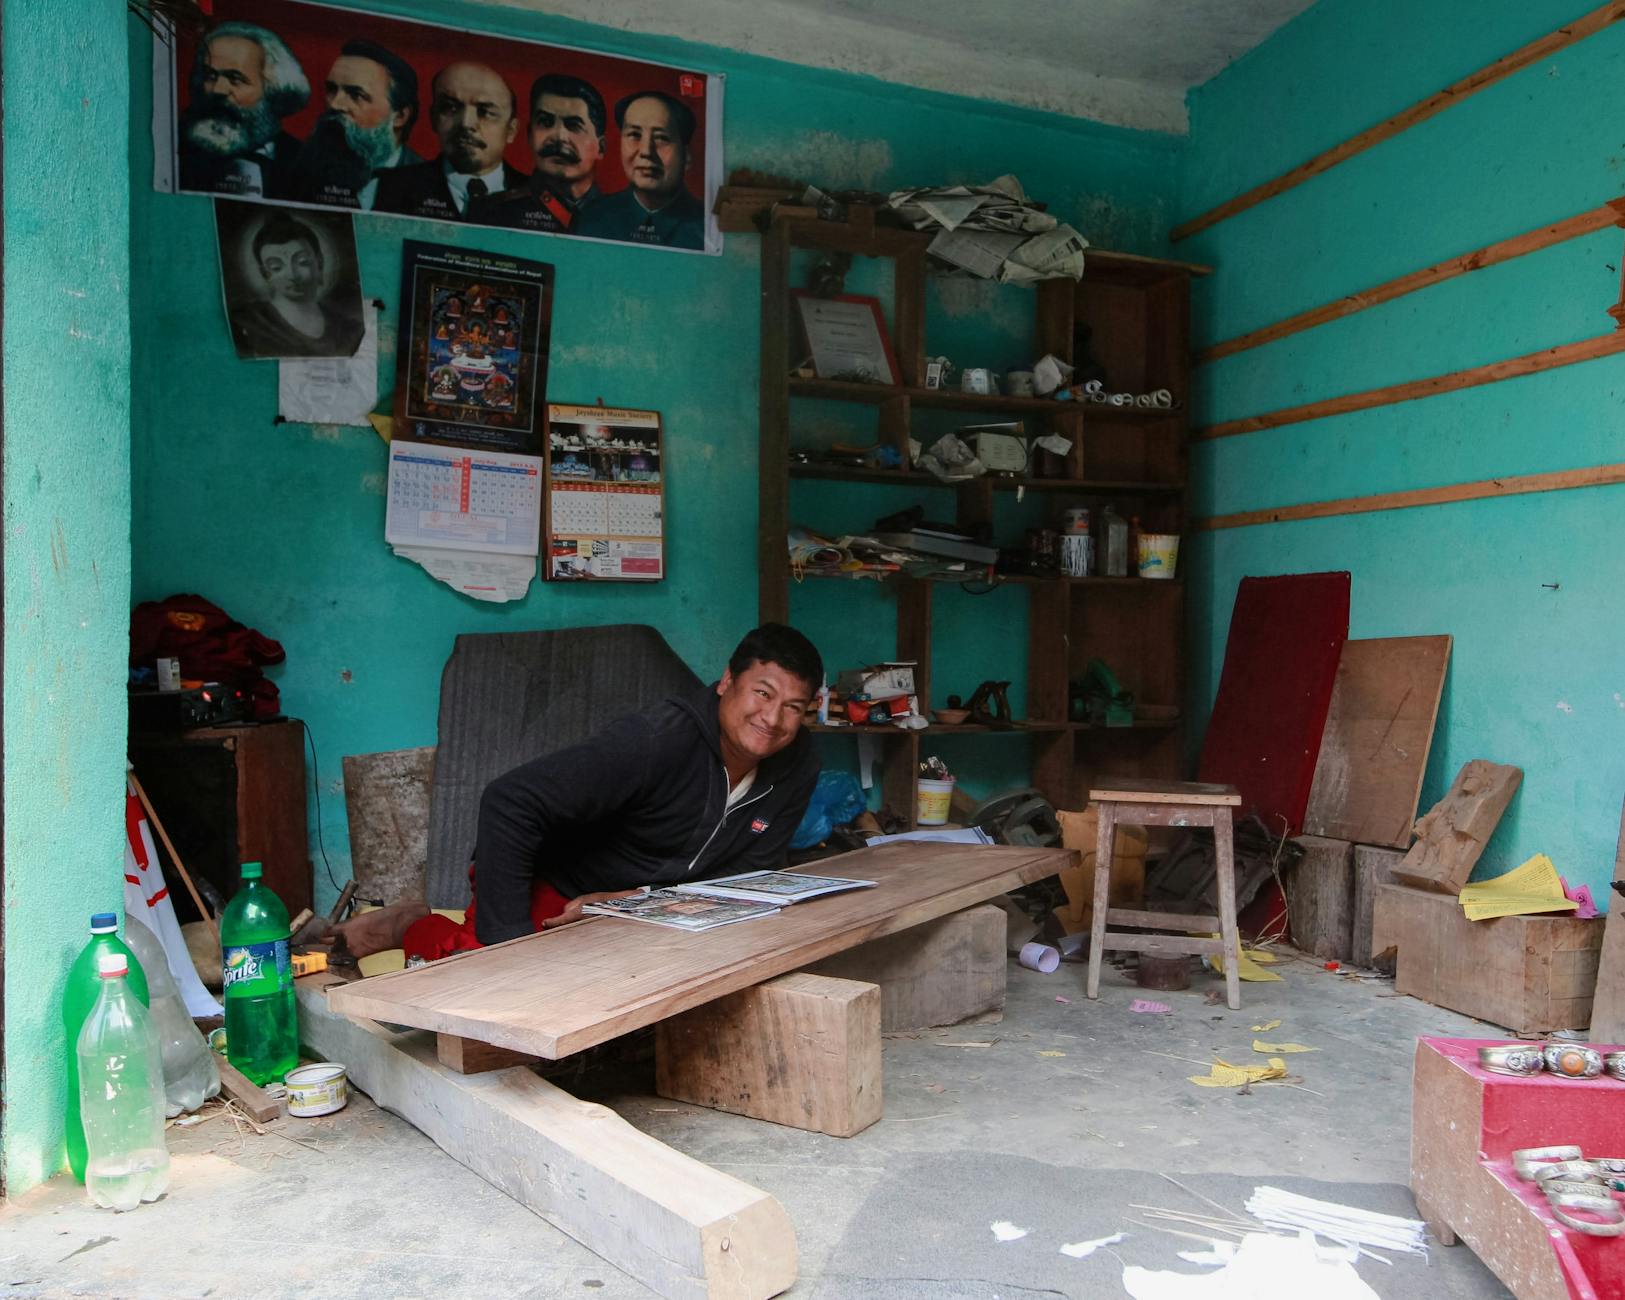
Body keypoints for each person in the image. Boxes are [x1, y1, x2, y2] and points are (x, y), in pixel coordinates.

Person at [399, 624, 824, 960]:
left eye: (794, 707)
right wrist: (510, 954)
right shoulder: (658, 741)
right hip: (550, 879)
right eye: (763, 693)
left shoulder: (797, 762)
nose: (773, 718)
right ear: (727, 680)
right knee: (475, 978)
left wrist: (634, 904)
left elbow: (750, 875)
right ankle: (410, 927)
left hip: (642, 901)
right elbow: (509, 803)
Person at [373, 62, 527, 220]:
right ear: (433, 118)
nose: (466, 123)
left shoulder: (538, 197)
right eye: (450, 107)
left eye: (485, 112)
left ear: (511, 130)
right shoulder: (393, 187)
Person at [178, 22, 310, 200]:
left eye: (235, 79)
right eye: (210, 76)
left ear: (274, 89)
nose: (218, 89)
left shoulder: (308, 164)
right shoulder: (174, 146)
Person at [288, 39, 420, 209]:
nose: (335, 104)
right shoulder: (300, 166)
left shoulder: (428, 182)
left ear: (399, 116)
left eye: (356, 94)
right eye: (331, 89)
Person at [468, 73, 605, 234]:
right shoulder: (492, 212)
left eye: (574, 125)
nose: (559, 137)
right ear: (529, 135)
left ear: (601, 147)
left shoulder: (622, 219)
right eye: (545, 122)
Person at [574, 90, 705, 250]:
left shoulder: (706, 227)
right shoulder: (593, 217)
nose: (646, 151)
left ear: (687, 156)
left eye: (661, 138)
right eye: (635, 135)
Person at [229, 213, 364, 359]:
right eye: (276, 267)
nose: (292, 275)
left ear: (319, 263)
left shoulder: (348, 329)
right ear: (265, 274)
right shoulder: (249, 323)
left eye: (303, 262)